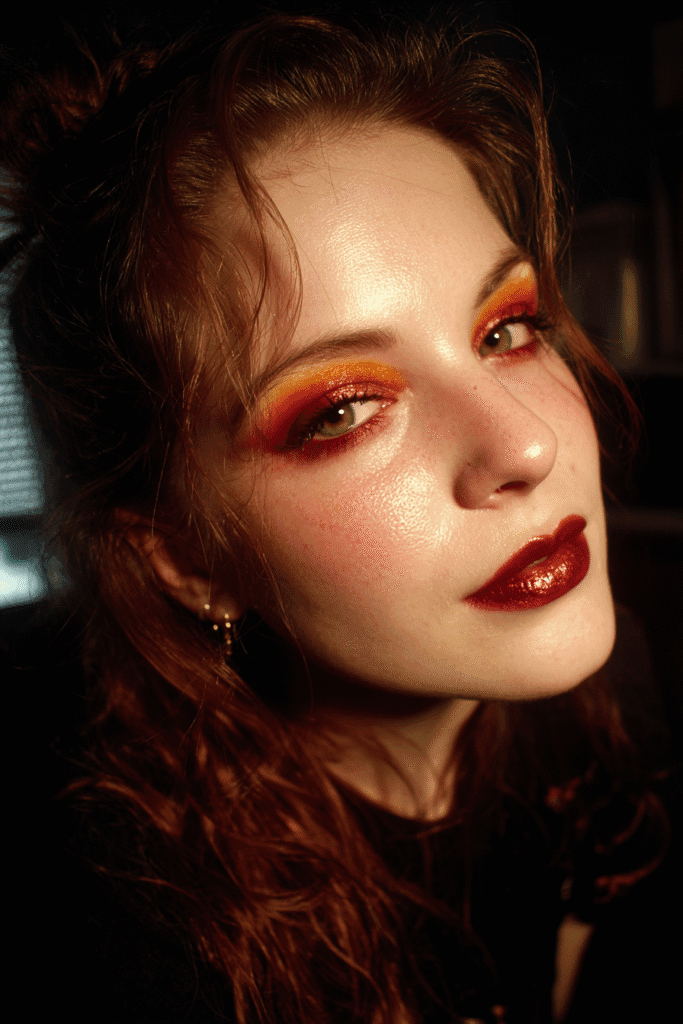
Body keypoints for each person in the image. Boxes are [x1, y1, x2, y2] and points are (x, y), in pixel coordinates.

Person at [0, 9, 672, 1024]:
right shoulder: (131, 942)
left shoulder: (607, 691)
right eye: (341, 411)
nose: (526, 446)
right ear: (186, 556)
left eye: (505, 329)